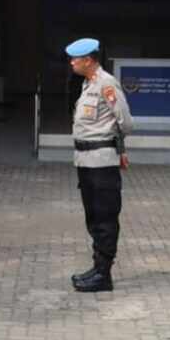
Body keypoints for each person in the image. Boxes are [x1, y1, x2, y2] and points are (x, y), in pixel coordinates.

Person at [65, 38, 134, 293]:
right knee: (93, 217)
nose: (71, 63)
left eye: (75, 59)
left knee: (105, 217)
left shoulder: (106, 84)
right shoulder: (88, 84)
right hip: (85, 161)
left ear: (88, 60)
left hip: (102, 162)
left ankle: (104, 274)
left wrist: (119, 148)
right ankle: (97, 267)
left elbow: (125, 122)